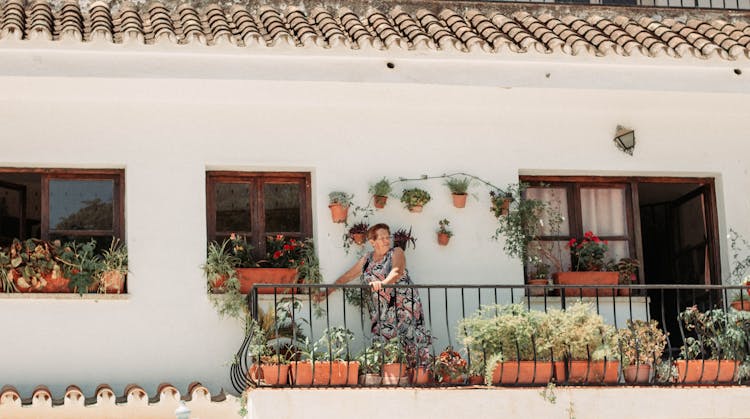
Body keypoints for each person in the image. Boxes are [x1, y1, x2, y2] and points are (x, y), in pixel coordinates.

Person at [320, 223, 431, 365]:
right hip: (381, 310)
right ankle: (391, 378)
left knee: (410, 338)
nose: (387, 240)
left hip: (404, 307)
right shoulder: (367, 259)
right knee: (383, 343)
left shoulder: (396, 252)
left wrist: (384, 283)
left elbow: (397, 271)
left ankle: (417, 375)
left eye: (388, 237)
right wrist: (328, 291)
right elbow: (348, 276)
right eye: (382, 238)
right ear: (372, 242)